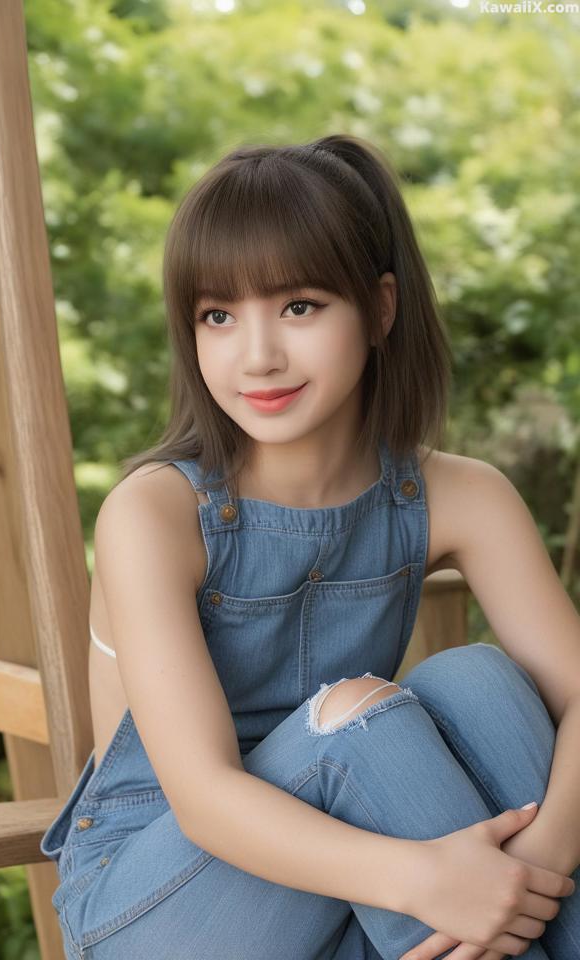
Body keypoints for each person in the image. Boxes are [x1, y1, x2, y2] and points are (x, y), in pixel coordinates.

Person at [40, 134, 579, 960]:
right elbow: (207, 800)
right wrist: (426, 881)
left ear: (382, 308)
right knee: (358, 721)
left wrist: (531, 878)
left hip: (355, 893)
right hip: (159, 898)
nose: (257, 356)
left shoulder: (462, 496)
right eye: (218, 316)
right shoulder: (154, 514)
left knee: (478, 680)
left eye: (299, 306)